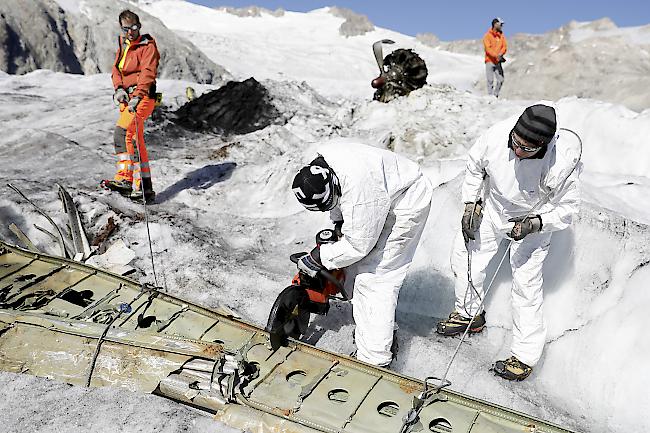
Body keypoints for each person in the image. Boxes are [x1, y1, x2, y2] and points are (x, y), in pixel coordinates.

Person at [437, 104, 580, 381]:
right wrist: (472, 204)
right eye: (515, 143)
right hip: (493, 209)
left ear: (543, 144)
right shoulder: (496, 135)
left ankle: (524, 357)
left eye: (526, 149)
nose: (517, 151)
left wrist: (536, 224)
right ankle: (469, 315)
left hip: (533, 217)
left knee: (526, 285)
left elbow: (567, 209)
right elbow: (475, 167)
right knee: (466, 256)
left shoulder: (561, 162)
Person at [291, 140, 433, 367]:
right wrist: (338, 225)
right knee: (351, 259)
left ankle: (375, 358)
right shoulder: (321, 169)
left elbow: (359, 245)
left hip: (406, 201)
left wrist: (320, 257)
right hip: (380, 193)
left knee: (375, 277)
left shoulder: (361, 193)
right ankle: (371, 321)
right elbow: (341, 205)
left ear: (333, 183)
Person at [103, 9, 160, 203]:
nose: (130, 32)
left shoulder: (147, 46)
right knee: (136, 138)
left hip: (142, 98)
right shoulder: (124, 45)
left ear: (139, 26)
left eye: (134, 28)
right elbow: (116, 69)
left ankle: (125, 179)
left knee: (123, 132)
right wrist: (119, 88)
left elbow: (147, 73)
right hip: (127, 98)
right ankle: (144, 187)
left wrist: (137, 96)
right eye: (126, 28)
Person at [483, 17, 507, 98]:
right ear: (495, 24)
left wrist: (501, 54)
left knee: (501, 79)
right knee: (490, 80)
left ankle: (495, 95)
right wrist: (496, 55)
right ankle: (490, 97)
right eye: (500, 24)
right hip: (489, 60)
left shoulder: (501, 36)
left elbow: (504, 46)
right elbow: (488, 48)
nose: (502, 26)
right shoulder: (487, 36)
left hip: (498, 61)